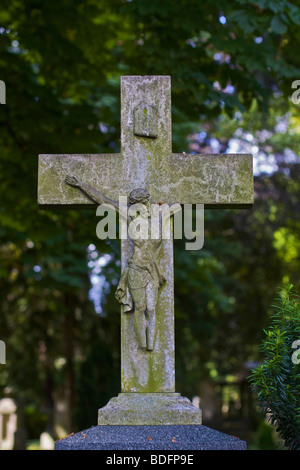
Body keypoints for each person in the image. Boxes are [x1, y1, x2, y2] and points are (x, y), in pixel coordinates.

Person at [65, 176, 171, 352]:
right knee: (140, 308)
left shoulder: (158, 218)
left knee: (151, 309)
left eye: (143, 204)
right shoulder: (129, 216)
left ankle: (150, 343)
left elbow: (179, 204)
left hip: (151, 270)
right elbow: (103, 200)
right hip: (135, 269)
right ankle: (143, 343)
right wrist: (81, 185)